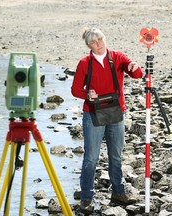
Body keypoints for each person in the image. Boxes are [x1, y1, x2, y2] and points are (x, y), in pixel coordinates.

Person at [71, 28, 143, 213]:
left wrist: (134, 67)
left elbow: (137, 74)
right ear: (89, 46)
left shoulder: (118, 57)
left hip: (116, 114)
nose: (99, 44)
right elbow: (75, 89)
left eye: (100, 39)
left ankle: (118, 192)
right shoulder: (84, 63)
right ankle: (86, 197)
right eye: (94, 42)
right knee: (91, 159)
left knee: (116, 156)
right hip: (93, 115)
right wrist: (87, 94)